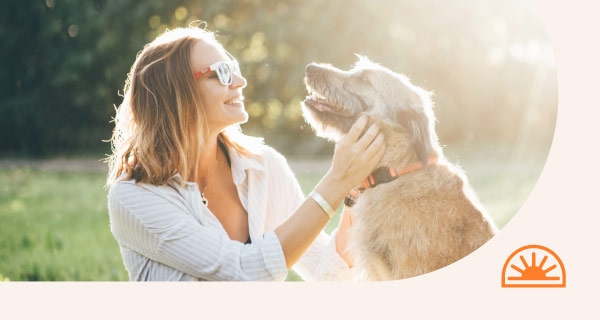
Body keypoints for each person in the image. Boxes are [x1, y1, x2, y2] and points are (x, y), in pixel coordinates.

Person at [105, 26, 385, 281]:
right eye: (222, 73)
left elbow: (329, 272)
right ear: (176, 92)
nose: (239, 81)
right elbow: (243, 272)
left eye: (234, 69)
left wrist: (353, 189)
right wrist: (336, 181)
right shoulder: (134, 197)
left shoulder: (266, 167)